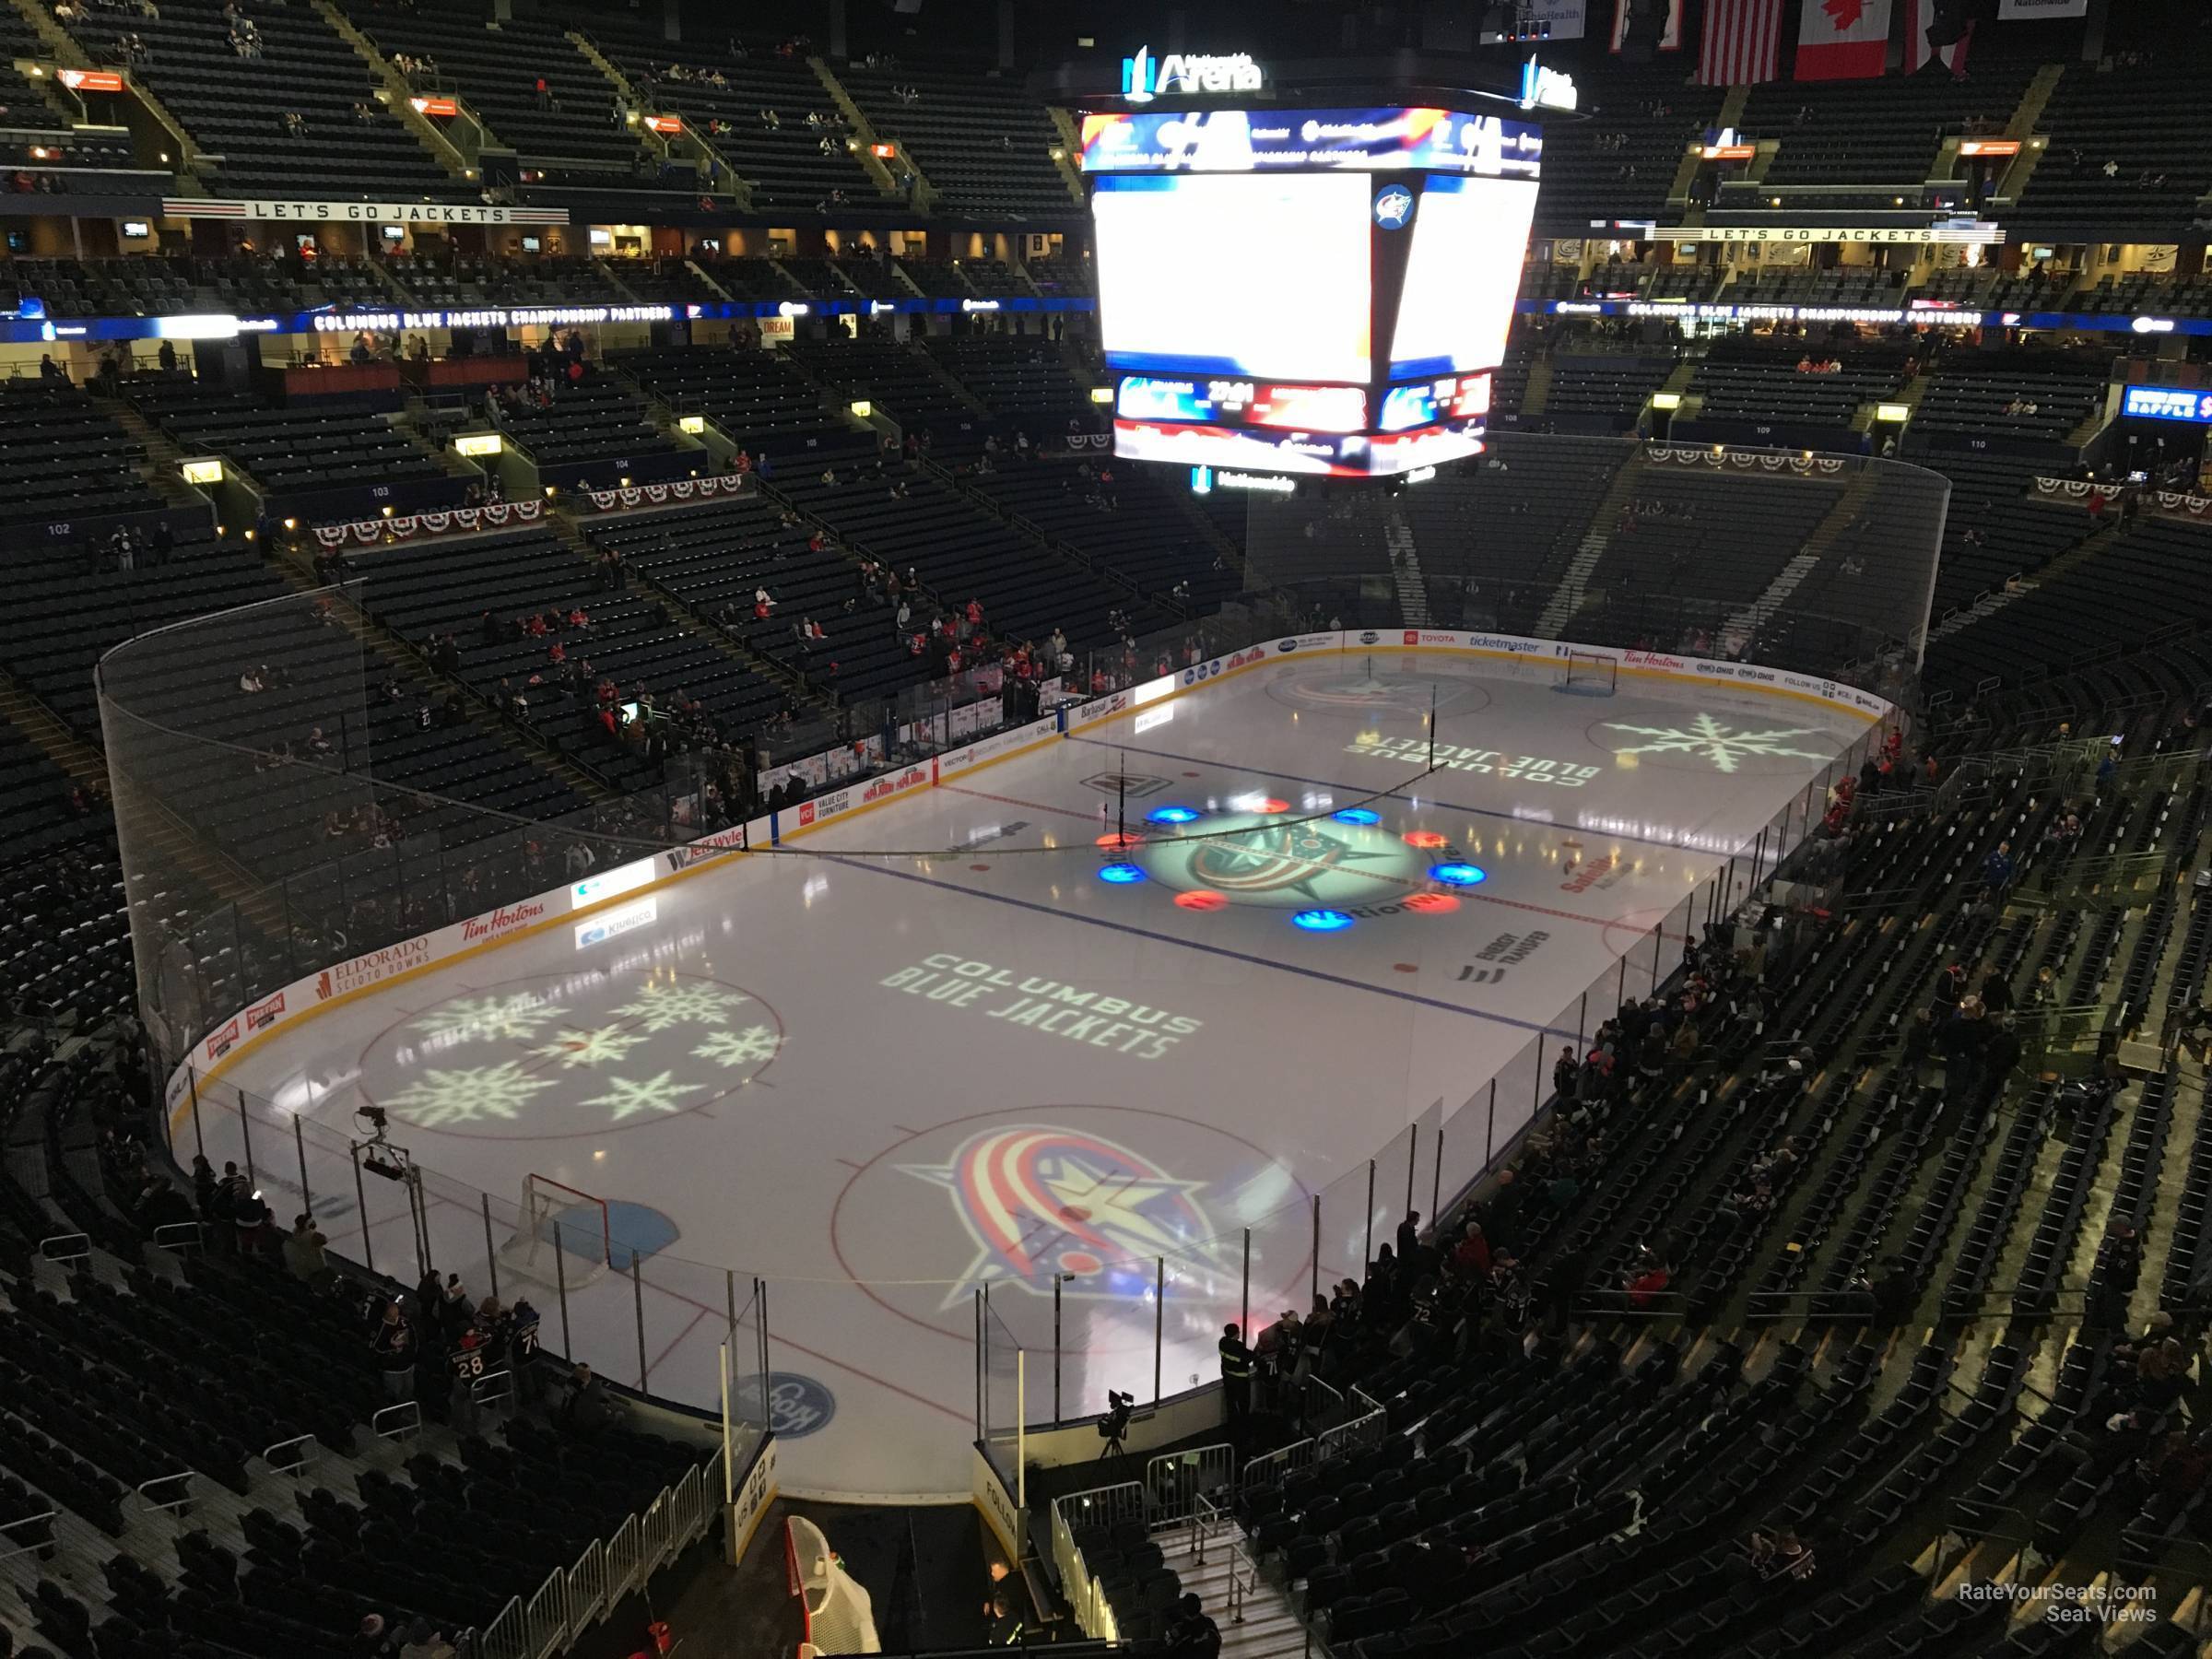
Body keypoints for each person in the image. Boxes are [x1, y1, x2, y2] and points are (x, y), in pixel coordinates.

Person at [1218, 1322, 1253, 1436]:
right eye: (1238, 1332)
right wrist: (1256, 1353)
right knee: (1243, 1404)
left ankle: (1232, 1425)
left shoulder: (1222, 1343)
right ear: (1235, 1334)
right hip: (1240, 1380)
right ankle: (1244, 1427)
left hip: (1228, 1378)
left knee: (1231, 1402)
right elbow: (1245, 1358)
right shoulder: (1238, 1347)